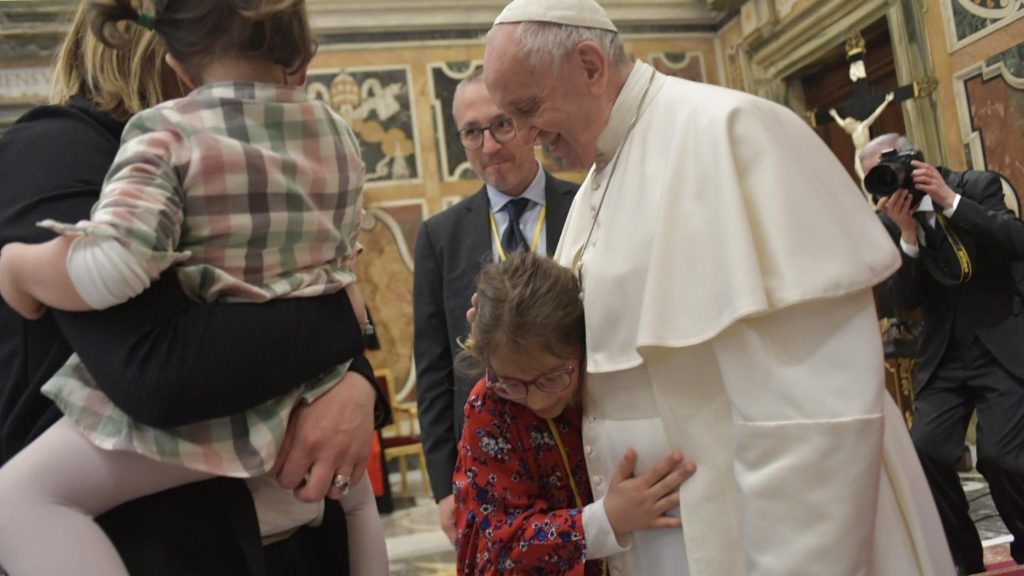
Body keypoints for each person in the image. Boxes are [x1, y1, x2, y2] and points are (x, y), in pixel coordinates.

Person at [481, 0, 955, 574]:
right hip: (668, 540)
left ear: (588, 66)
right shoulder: (590, 189)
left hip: (752, 530)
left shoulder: (729, 133)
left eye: (528, 109)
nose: (526, 138)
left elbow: (811, 415)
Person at [0, 1, 387, 574]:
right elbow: (159, 373)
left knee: (15, 500)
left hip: (267, 518)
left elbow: (117, 268)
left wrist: (20, 268)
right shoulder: (56, 149)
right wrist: (346, 329)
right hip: (172, 540)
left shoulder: (176, 136)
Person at [413, 66, 578, 542]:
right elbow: (433, 365)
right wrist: (444, 485)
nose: (488, 145)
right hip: (491, 455)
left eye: (501, 125)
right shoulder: (439, 237)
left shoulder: (585, 204)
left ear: (529, 125)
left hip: (582, 434)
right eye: (471, 132)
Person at [453, 251, 694, 575]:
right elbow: (505, 543)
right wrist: (607, 519)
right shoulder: (489, 407)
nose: (537, 400)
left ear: (582, 344)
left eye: (551, 378)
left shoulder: (597, 386)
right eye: (511, 382)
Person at [871, 133, 1024, 575]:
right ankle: (962, 561)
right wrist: (908, 237)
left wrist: (949, 199)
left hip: (999, 343)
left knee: (1002, 458)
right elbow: (903, 300)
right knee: (926, 450)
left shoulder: (976, 185)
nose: (890, 183)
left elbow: (1015, 241)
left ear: (915, 158)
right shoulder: (892, 219)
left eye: (892, 167)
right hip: (945, 356)